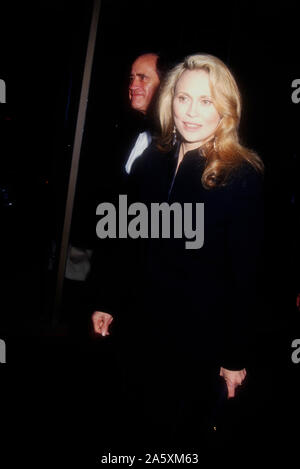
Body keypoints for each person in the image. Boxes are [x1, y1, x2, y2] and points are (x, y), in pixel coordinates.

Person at [92, 53, 264, 448]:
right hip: (138, 328)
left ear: (225, 110)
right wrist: (107, 300)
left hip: (195, 341)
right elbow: (125, 242)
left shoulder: (239, 176)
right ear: (169, 99)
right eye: (183, 98)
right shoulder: (152, 161)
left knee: (175, 439)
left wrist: (235, 356)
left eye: (206, 101)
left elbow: (245, 276)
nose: (191, 112)